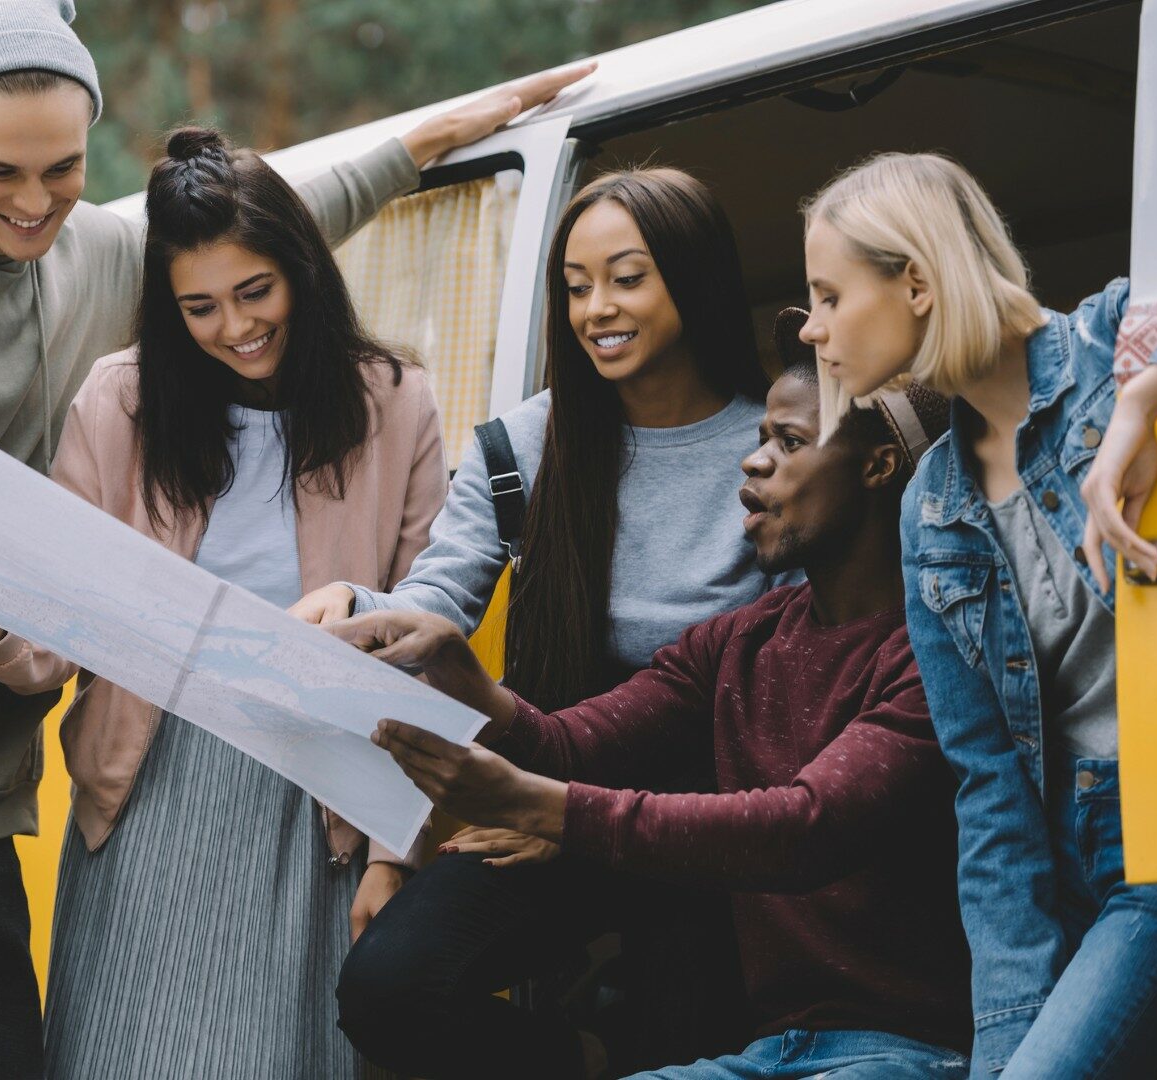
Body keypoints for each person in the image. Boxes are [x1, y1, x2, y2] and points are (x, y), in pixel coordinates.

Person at [0, 0, 592, 1066]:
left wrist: (418, 145)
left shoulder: (83, 250)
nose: (33, 201)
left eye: (60, 168)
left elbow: (252, 236)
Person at [0, 122, 439, 1078]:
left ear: (303, 270)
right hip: (149, 780)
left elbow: (423, 628)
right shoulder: (120, 403)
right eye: (199, 308)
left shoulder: (392, 402)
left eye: (255, 291)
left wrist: (392, 852)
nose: (235, 327)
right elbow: (53, 628)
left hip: (319, 795)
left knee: (288, 1052)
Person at [336, 357, 971, 1080]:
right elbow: (571, 745)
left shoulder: (940, 646)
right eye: (760, 436)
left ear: (880, 467)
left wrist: (537, 806)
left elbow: (803, 827)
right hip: (771, 1052)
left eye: (789, 442)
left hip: (913, 1053)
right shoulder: (739, 640)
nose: (753, 460)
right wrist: (467, 681)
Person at [291, 166, 786, 1070]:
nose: (596, 307)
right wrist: (355, 609)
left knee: (687, 1047)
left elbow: (790, 684)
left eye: (627, 278)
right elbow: (435, 601)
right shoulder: (520, 448)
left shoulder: (776, 452)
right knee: (389, 990)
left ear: (696, 276)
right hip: (543, 802)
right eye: (576, 285)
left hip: (708, 825)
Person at [799, 151, 1157, 1076]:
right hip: (1086, 858)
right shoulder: (931, 508)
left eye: (830, 296)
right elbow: (992, 797)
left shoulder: (1116, 338)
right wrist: (1004, 1036)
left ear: (916, 282)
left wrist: (1139, 406)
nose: (812, 328)